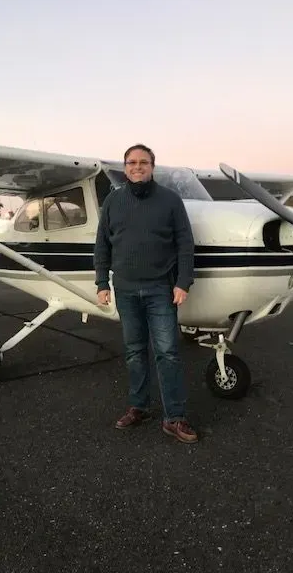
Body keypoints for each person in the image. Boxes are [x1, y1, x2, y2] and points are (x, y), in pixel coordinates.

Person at [94, 144, 198, 443]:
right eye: (131, 162)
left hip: (159, 288)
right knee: (135, 352)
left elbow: (185, 244)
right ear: (124, 167)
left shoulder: (170, 200)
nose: (136, 167)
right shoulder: (113, 201)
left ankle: (174, 417)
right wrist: (102, 283)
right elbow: (102, 245)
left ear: (152, 166)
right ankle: (139, 406)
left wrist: (183, 282)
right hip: (125, 289)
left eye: (143, 162)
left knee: (167, 353)